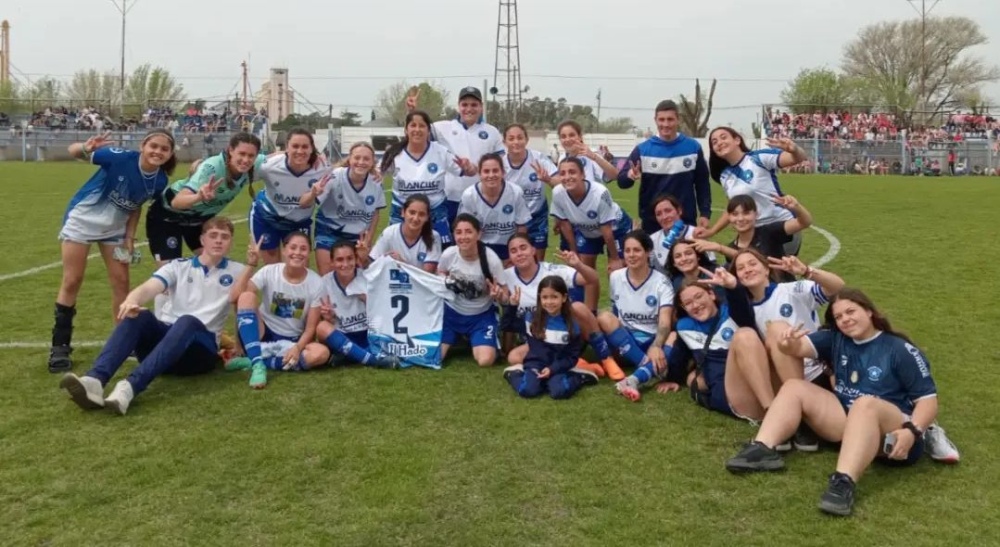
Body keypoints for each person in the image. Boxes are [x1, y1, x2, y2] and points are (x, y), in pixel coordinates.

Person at [724, 289, 944, 516]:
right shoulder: (836, 338)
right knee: (794, 387)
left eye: (851, 311)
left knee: (865, 403)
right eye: (839, 317)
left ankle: (843, 482)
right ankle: (763, 448)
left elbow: (928, 401)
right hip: (849, 424)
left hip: (894, 435)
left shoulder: (899, 349)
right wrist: (787, 344)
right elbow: (799, 348)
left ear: (869, 311)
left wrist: (912, 432)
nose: (845, 320)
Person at [58, 218, 243, 415]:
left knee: (187, 321)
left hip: (199, 354)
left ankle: (129, 388)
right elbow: (149, 287)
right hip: (165, 348)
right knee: (139, 315)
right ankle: (95, 380)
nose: (218, 241)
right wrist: (132, 300)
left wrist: (240, 349)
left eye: (225, 237)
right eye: (213, 236)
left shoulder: (238, 271)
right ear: (202, 240)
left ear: (230, 242)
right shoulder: (178, 266)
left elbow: (245, 309)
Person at [49, 129, 177, 373]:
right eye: (154, 146)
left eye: (164, 149)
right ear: (143, 145)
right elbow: (73, 151)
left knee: (121, 282)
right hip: (82, 221)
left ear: (170, 154)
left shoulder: (160, 180)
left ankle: (123, 339)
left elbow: (136, 204)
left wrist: (130, 236)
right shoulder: (119, 157)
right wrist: (86, 148)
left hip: (115, 230)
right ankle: (60, 346)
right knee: (72, 280)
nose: (157, 152)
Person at [617, 267, 776, 416]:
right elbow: (679, 356)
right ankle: (772, 413)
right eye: (688, 303)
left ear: (712, 295)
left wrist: (733, 287)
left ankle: (772, 409)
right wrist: (672, 379)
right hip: (731, 393)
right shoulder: (685, 327)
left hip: (761, 380)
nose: (696, 305)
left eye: (699, 296)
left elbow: (742, 308)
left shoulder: (732, 314)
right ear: (684, 308)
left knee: (745, 335)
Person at [731, 249, 845, 450]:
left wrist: (807, 271)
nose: (747, 270)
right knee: (759, 335)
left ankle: (796, 418)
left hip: (815, 372)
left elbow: (838, 288)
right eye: (740, 268)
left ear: (766, 269)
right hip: (779, 380)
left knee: (777, 329)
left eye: (752, 264)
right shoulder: (743, 310)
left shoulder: (790, 290)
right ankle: (777, 417)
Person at [501, 234, 616, 378]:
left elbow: (592, 279)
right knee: (514, 357)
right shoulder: (505, 276)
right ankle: (578, 365)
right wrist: (500, 297)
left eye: (523, 248)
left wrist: (578, 265)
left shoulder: (552, 270)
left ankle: (606, 358)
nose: (519, 253)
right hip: (538, 340)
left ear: (533, 250)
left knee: (578, 307)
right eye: (514, 251)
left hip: (565, 336)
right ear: (509, 256)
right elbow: (501, 301)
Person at [230, 232, 330, 389]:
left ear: (308, 253)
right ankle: (258, 365)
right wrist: (251, 265)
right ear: (284, 250)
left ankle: (255, 359)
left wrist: (297, 348)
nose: (297, 253)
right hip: (262, 333)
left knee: (321, 354)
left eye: (303, 249)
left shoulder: (316, 283)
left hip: (291, 340)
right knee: (246, 297)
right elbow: (234, 298)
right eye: (293, 247)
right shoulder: (269, 271)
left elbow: (311, 329)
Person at [146, 132, 262, 267]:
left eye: (251, 155)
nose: (246, 160)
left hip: (197, 219)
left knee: (217, 264)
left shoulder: (255, 164)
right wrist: (199, 196)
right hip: (166, 216)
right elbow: (177, 202)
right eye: (241, 154)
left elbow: (280, 157)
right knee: (170, 270)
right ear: (230, 150)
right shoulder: (211, 168)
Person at [406, 85, 504, 227]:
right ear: (458, 106)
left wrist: (475, 169)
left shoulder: (492, 132)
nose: (469, 109)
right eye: (464, 105)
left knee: (474, 243)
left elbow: (500, 165)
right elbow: (417, 130)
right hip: (448, 199)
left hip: (479, 199)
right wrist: (412, 111)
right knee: (447, 245)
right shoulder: (442, 127)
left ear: (481, 106)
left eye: (474, 105)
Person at [703, 128, 810, 255]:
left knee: (776, 272)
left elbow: (798, 158)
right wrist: (712, 231)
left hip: (781, 226)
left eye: (723, 137)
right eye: (714, 142)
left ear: (737, 140)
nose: (719, 142)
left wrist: (794, 149)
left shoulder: (758, 158)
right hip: (753, 233)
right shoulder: (725, 176)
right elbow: (732, 207)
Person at [380, 110, 476, 245]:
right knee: (396, 256)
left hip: (436, 215)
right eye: (413, 125)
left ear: (428, 131)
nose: (417, 130)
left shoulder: (440, 151)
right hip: (402, 216)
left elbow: (469, 171)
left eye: (422, 126)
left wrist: (470, 167)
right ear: (406, 130)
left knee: (440, 256)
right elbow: (376, 173)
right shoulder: (394, 154)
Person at [616, 100, 711, 233]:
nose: (665, 124)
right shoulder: (643, 150)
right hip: (653, 222)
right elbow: (621, 182)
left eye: (670, 119)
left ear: (678, 119)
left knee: (685, 254)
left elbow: (702, 184)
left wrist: (705, 213)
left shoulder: (693, 147)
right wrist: (630, 175)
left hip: (685, 219)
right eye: (661, 119)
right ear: (655, 120)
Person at [550, 157, 630, 313]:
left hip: (616, 229)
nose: (567, 177)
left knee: (616, 272)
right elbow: (565, 224)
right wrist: (574, 251)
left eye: (572, 172)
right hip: (586, 231)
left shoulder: (599, 192)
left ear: (583, 174)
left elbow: (606, 230)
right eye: (563, 173)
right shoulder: (558, 192)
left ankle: (621, 312)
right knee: (583, 270)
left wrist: (614, 258)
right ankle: (588, 314)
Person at [596, 231, 675, 388]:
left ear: (648, 252)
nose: (631, 255)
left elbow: (665, 322)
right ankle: (648, 367)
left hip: (651, 341)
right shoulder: (616, 277)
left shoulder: (662, 282)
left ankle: (638, 376)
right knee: (604, 317)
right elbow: (615, 311)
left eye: (637, 250)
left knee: (674, 335)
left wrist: (656, 346)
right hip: (626, 343)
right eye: (627, 250)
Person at [502, 276, 601, 399]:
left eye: (554, 297)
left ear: (564, 298)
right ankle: (514, 373)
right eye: (545, 297)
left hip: (557, 367)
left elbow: (571, 357)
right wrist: (512, 306)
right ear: (539, 298)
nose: (549, 302)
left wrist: (552, 369)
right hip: (535, 364)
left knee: (559, 392)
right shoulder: (531, 318)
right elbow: (507, 325)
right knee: (527, 391)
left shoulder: (571, 325)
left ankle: (579, 376)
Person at [299, 142, 385, 275]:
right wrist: (313, 193)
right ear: (349, 159)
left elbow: (375, 213)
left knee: (355, 281)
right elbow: (303, 203)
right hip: (328, 232)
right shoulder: (335, 176)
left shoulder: (376, 182)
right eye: (357, 158)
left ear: (373, 161)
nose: (361, 162)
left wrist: (368, 240)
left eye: (366, 159)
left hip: (357, 237)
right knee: (327, 278)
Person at [249, 128, 329, 265]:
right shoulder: (269, 166)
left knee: (299, 265)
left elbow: (345, 168)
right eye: (295, 146)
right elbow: (243, 170)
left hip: (299, 221)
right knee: (272, 267)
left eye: (305, 147)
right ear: (287, 147)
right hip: (267, 216)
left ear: (312, 149)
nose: (300, 151)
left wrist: (372, 171)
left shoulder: (322, 169)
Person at [314, 242, 396, 368]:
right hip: (341, 337)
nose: (345, 264)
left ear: (356, 259)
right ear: (332, 262)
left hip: (367, 335)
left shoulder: (367, 276)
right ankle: (373, 361)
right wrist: (328, 317)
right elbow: (321, 322)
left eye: (349, 258)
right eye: (339, 260)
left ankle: (350, 356)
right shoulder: (324, 283)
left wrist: (370, 301)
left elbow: (388, 310)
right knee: (321, 327)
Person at [438, 214, 506, 367]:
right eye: (458, 232)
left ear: (479, 234)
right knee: (436, 357)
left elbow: (505, 294)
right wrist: (446, 281)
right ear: (453, 235)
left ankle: (471, 338)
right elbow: (440, 272)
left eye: (468, 231)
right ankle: (460, 338)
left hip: (481, 315)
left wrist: (499, 295)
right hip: (451, 313)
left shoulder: (491, 259)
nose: (463, 237)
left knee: (485, 360)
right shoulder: (449, 254)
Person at [700, 194, 812, 281]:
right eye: (735, 214)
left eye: (746, 213)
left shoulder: (769, 231)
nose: (740, 218)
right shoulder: (732, 247)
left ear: (756, 214)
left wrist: (797, 207)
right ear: (729, 217)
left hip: (784, 289)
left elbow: (804, 223)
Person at [501, 123, 561, 261]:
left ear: (526, 140)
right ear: (504, 142)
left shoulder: (538, 158)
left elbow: (560, 184)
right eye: (511, 138)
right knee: (514, 261)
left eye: (520, 138)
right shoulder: (501, 163)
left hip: (537, 217)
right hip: (512, 218)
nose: (516, 142)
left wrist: (548, 179)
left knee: (537, 262)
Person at [457, 153, 531, 262]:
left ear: (503, 172)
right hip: (480, 247)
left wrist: (514, 254)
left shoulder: (515, 192)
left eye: (495, 170)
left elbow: (521, 227)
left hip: (508, 245)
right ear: (479, 174)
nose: (491, 175)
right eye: (486, 171)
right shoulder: (469, 195)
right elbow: (464, 230)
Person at [358, 194, 442, 274]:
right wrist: (363, 257)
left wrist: (402, 263)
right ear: (403, 212)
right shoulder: (389, 233)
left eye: (421, 214)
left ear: (427, 217)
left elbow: (427, 276)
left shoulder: (433, 237)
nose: (416, 218)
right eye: (412, 212)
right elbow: (370, 266)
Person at [647, 194, 713, 274]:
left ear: (679, 211)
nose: (664, 217)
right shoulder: (653, 240)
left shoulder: (696, 234)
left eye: (668, 211)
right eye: (659, 214)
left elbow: (711, 265)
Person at [556, 120, 620, 183]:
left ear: (580, 137)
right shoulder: (562, 158)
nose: (567, 139)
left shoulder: (592, 154)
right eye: (563, 136)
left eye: (571, 135)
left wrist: (595, 157)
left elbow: (615, 176)